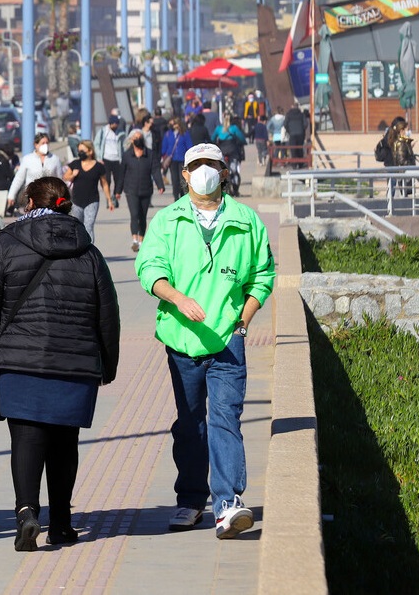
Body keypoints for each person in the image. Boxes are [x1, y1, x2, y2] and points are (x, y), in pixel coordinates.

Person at [0, 177, 119, 551]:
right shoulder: (89, 251)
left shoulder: (4, 245)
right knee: (65, 443)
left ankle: (26, 513)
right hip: (75, 365)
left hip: (19, 362)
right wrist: (107, 365)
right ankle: (62, 524)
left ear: (30, 202)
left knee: (26, 439)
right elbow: (108, 314)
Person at [136, 143, 276, 540]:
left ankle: (228, 502)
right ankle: (191, 499)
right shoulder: (168, 221)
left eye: (211, 164)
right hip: (182, 342)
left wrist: (243, 321)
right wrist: (177, 298)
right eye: (196, 165)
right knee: (191, 424)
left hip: (228, 341)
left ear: (224, 171)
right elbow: (149, 268)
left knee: (225, 419)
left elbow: (262, 276)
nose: (203, 171)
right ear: (184, 174)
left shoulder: (247, 221)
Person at [120, 129, 165, 252]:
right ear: (131, 140)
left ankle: (141, 239)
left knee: (142, 216)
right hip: (131, 190)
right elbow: (122, 173)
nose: (138, 140)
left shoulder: (150, 154)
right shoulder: (127, 155)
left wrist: (160, 185)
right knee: (134, 215)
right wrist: (117, 191)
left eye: (140, 137)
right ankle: (135, 240)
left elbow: (155, 170)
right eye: (135, 138)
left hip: (146, 189)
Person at [63, 140, 113, 241]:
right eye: (79, 151)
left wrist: (109, 200)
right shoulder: (75, 164)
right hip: (76, 201)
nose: (80, 153)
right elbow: (65, 177)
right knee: (77, 226)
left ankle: (89, 248)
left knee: (89, 226)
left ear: (90, 151)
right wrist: (73, 175)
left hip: (92, 201)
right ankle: (78, 247)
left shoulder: (99, 166)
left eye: (83, 150)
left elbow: (104, 184)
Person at [6, 133, 64, 213]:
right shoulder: (27, 159)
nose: (45, 145)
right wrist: (11, 195)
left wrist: (61, 197)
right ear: (36, 145)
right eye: (43, 143)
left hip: (49, 198)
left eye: (47, 143)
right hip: (32, 198)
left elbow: (60, 180)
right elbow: (19, 179)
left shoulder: (55, 159)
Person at [376, 116, 416, 198]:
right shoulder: (398, 140)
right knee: (398, 191)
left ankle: (390, 203)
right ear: (400, 129)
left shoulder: (388, 136)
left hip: (390, 167)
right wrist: (408, 148)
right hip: (396, 168)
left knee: (392, 192)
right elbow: (400, 157)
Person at [213, 114, 248, 197]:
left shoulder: (218, 129)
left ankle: (225, 188)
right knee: (234, 170)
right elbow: (241, 138)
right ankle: (236, 190)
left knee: (222, 169)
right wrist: (244, 142)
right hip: (233, 151)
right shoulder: (234, 128)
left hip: (222, 151)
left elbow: (213, 138)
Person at [94, 115, 124, 208]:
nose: (116, 126)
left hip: (117, 159)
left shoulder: (120, 133)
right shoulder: (103, 131)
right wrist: (99, 157)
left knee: (118, 180)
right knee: (107, 180)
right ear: (110, 123)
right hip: (106, 158)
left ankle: (115, 196)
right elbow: (96, 144)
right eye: (114, 124)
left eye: (117, 124)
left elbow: (123, 145)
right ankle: (108, 198)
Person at [165, 118, 193, 200]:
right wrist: (165, 154)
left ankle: (183, 195)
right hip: (172, 160)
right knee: (174, 179)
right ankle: (175, 196)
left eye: (174, 124)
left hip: (182, 159)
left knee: (182, 179)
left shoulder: (185, 134)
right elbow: (165, 146)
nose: (173, 125)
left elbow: (189, 146)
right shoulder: (168, 134)